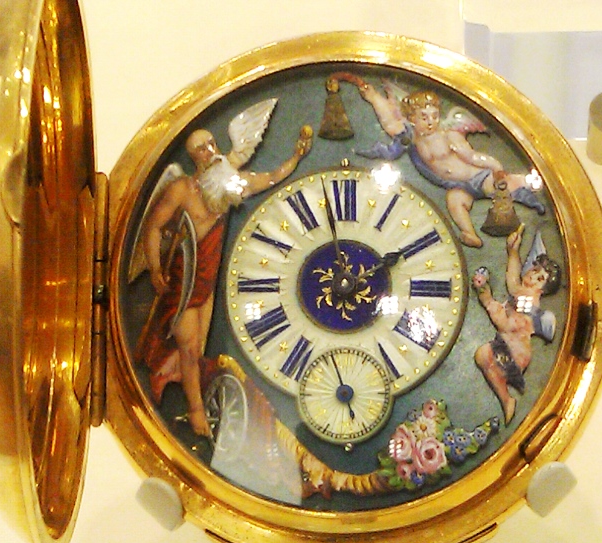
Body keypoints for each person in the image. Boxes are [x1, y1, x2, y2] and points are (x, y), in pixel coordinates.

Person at [140, 125, 312, 436]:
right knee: (189, 347)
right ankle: (196, 412)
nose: (210, 151)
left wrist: (297, 156)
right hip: (184, 279)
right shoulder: (181, 189)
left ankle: (190, 396)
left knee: (197, 348)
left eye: (211, 144)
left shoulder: (228, 183)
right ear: (193, 158)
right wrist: (154, 269)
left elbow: (271, 178)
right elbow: (153, 227)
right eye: (201, 149)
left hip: (207, 281)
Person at [357, 84, 545, 248]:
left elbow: (472, 156)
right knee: (454, 202)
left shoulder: (448, 136)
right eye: (424, 117)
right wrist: (373, 98)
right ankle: (470, 234)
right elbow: (390, 122)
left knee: (508, 187)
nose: (430, 122)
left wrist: (495, 166)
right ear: (412, 119)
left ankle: (535, 190)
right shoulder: (412, 139)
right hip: (458, 187)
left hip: (478, 178)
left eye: (434, 116)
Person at [472, 225, 561, 423]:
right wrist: (513, 250)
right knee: (484, 357)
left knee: (484, 355)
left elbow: (507, 325)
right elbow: (512, 277)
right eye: (534, 270)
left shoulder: (529, 304)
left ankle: (507, 400)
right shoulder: (521, 293)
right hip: (508, 344)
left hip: (517, 351)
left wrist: (488, 301)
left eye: (540, 278)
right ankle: (507, 399)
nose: (532, 276)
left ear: (543, 289)